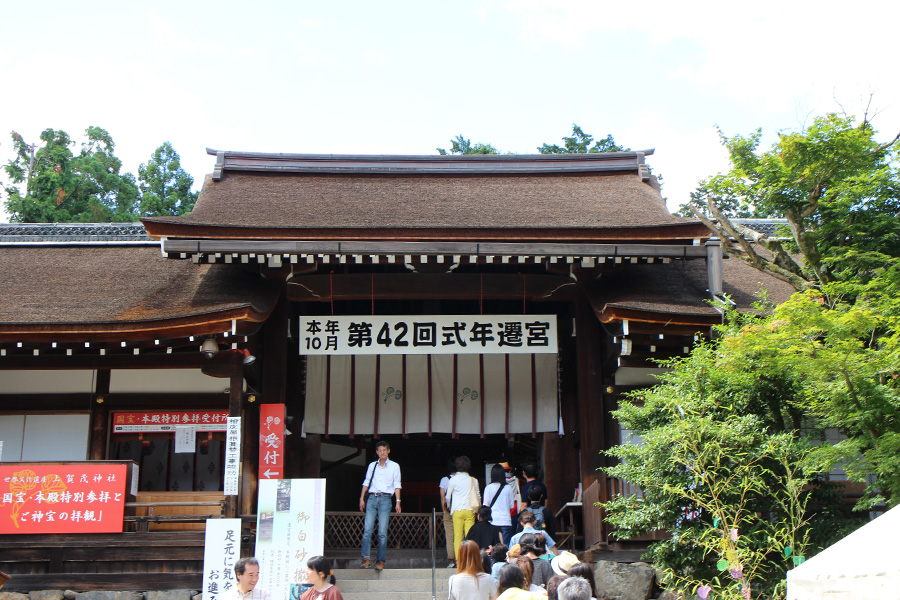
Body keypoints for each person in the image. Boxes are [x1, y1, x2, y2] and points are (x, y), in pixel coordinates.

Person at [359, 440, 402, 570]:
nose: (382, 452)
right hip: (372, 498)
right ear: (377, 452)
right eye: (380, 450)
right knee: (367, 530)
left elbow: (397, 484)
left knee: (382, 532)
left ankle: (380, 560)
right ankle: (366, 558)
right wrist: (362, 498)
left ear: (388, 451)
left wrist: (398, 501)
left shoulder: (395, 466)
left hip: (386, 498)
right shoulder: (372, 465)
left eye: (384, 450)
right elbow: (366, 482)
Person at [446, 455, 480, 562]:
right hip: (470, 509)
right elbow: (478, 496)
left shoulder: (453, 480)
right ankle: (470, 560)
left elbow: (448, 496)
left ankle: (460, 560)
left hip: (457, 509)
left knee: (458, 537)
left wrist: (449, 506)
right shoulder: (473, 480)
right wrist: (477, 510)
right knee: (469, 537)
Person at [483, 464, 517, 544]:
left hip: (493, 521)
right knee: (504, 547)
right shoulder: (508, 487)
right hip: (505, 521)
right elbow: (512, 505)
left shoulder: (488, 488)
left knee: (493, 547)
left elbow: (486, 506)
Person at [440, 457, 458, 567]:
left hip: (448, 511)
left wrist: (444, 510)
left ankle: (451, 560)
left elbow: (442, 497)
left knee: (450, 536)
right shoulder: (462, 479)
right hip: (460, 509)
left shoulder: (444, 480)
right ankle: (459, 559)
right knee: (460, 535)